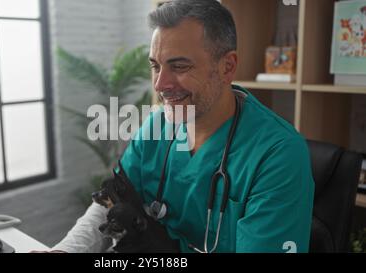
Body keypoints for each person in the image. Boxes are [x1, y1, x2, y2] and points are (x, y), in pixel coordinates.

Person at [51, 0, 314, 253]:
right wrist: (64, 250)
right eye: (155, 66)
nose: (160, 84)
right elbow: (112, 201)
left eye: (179, 66)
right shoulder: (157, 124)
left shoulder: (278, 155)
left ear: (227, 67)